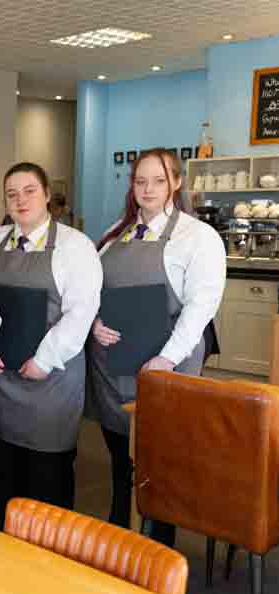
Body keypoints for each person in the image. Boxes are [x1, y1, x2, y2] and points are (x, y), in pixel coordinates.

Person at [86, 148, 226, 545]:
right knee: (119, 458)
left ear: (177, 183)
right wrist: (94, 323)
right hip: (113, 364)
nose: (148, 189)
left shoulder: (198, 237)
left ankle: (155, 548)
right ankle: (118, 536)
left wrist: (166, 358)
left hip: (166, 364)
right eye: (140, 180)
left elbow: (201, 307)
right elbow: (92, 291)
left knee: (159, 465)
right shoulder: (117, 233)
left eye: (159, 181)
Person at [0, 162, 102, 531]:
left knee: (46, 481)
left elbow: (80, 314)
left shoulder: (76, 247)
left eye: (30, 190)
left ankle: (48, 565)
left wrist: (45, 360)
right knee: (0, 474)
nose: (20, 199)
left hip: (49, 382)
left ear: (48, 195)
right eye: (12, 193)